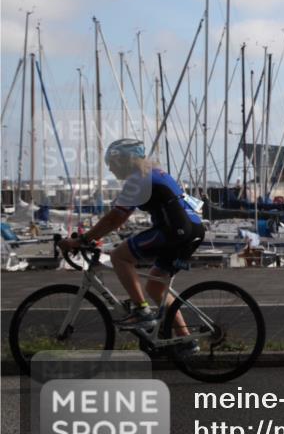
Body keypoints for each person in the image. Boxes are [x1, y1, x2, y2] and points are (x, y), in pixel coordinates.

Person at [59, 139, 205, 341]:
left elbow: (115, 219)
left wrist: (82, 240)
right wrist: (91, 237)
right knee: (156, 287)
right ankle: (185, 340)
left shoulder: (139, 179)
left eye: (111, 162)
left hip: (175, 231)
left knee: (120, 257)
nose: (109, 168)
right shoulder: (156, 173)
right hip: (191, 229)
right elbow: (117, 219)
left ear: (125, 160)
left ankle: (142, 312)